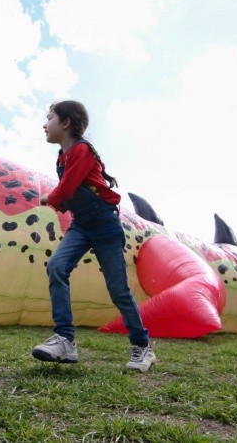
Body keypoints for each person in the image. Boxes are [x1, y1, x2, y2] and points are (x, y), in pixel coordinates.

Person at [32, 100, 156, 372]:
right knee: (57, 266)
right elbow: (72, 193)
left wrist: (49, 199)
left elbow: (65, 190)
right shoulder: (62, 158)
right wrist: (63, 201)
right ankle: (65, 339)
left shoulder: (81, 150)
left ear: (65, 123)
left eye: (49, 117)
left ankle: (142, 346)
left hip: (104, 225)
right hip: (81, 225)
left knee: (118, 290)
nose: (44, 124)